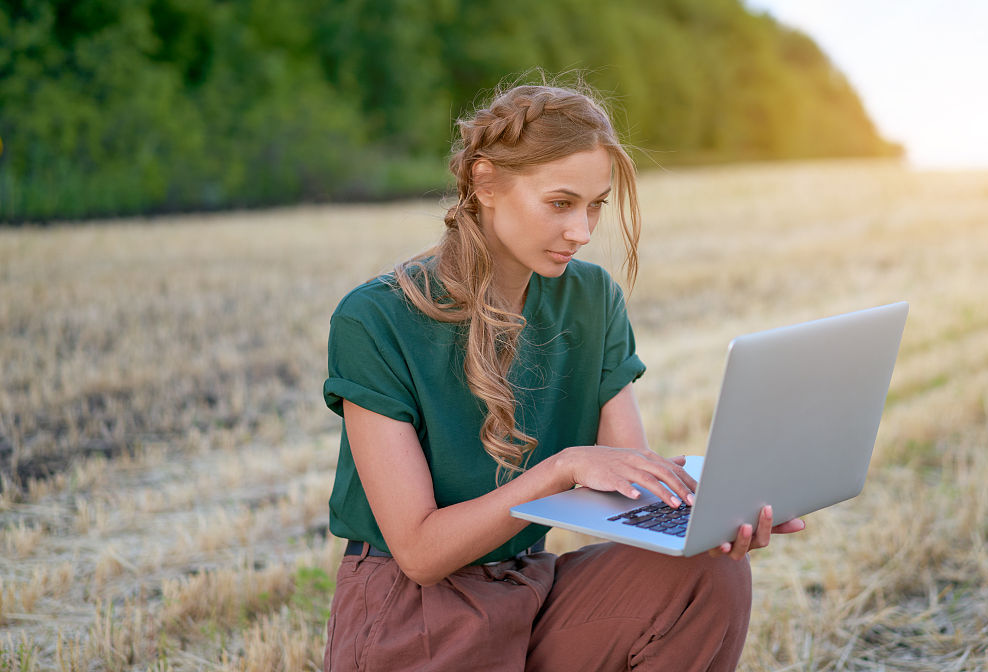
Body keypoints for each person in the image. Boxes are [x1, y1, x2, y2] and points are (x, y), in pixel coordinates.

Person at [321, 77, 805, 672]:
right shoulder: (376, 318)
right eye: (560, 203)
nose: (583, 230)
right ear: (485, 181)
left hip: (530, 592)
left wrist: (714, 513)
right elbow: (420, 553)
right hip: (409, 616)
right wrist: (562, 468)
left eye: (596, 205)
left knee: (707, 574)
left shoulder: (592, 299)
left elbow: (630, 475)